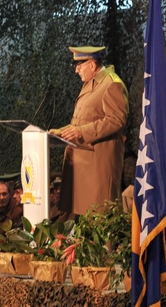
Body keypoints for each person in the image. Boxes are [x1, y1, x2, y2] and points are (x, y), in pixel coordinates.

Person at [53, 45, 128, 218]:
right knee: (85, 220)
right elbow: (84, 120)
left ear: (92, 65)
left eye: (79, 65)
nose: (76, 70)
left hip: (98, 164)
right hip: (83, 162)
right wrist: (60, 132)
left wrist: (80, 132)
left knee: (101, 217)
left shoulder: (111, 84)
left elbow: (116, 120)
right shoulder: (91, 84)